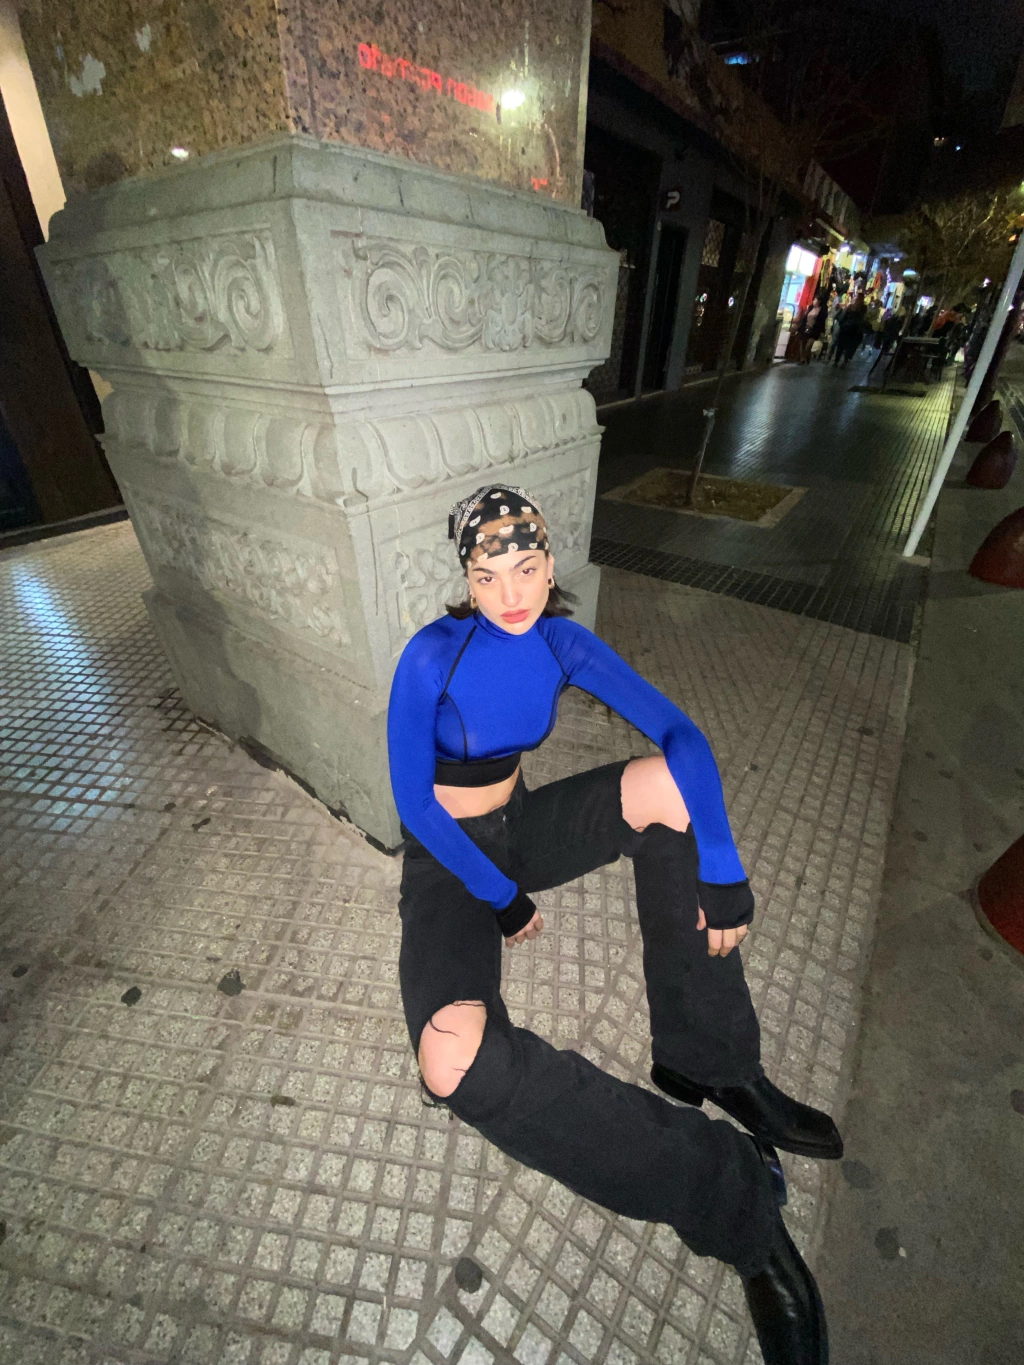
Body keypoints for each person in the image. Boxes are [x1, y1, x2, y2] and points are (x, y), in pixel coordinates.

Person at [388, 483, 839, 1365]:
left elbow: (681, 734)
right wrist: (501, 896)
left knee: (669, 791)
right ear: (467, 580)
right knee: (453, 1058)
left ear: (550, 564)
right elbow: (414, 802)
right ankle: (736, 1194)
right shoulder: (431, 654)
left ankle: (709, 1059)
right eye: (489, 577)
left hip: (519, 825)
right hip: (449, 864)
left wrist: (724, 861)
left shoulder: (560, 640)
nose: (511, 593)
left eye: (527, 568)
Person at [832, 296, 866, 367]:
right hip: (854, 331)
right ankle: (844, 362)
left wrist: (841, 325)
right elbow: (862, 320)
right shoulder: (863, 309)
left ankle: (836, 361)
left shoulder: (850, 307)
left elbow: (843, 317)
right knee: (849, 347)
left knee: (840, 346)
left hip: (845, 329)